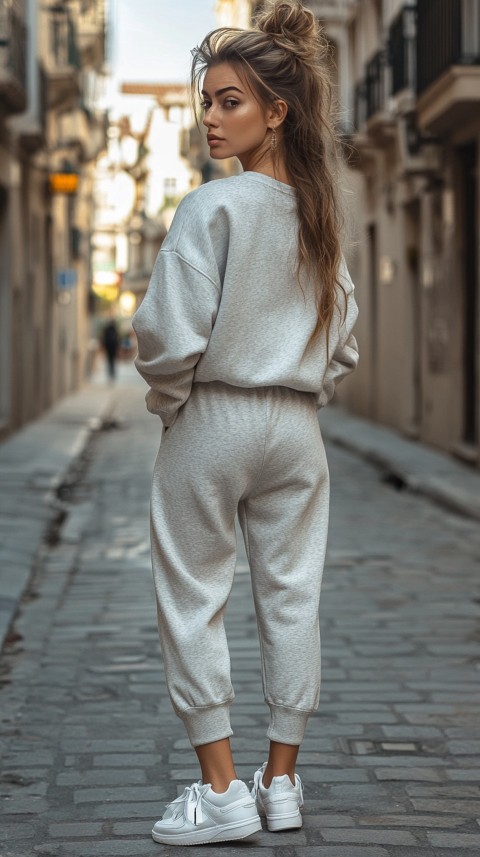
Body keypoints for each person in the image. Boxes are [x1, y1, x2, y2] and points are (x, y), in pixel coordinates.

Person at [132, 0, 359, 846]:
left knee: (194, 597)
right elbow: (344, 339)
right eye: (208, 99)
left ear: (277, 112)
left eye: (232, 101)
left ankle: (224, 790)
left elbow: (166, 337)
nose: (211, 116)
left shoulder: (209, 209)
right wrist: (301, 394)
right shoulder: (321, 216)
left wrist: (170, 402)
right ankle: (284, 782)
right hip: (296, 430)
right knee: (293, 598)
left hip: (214, 415)